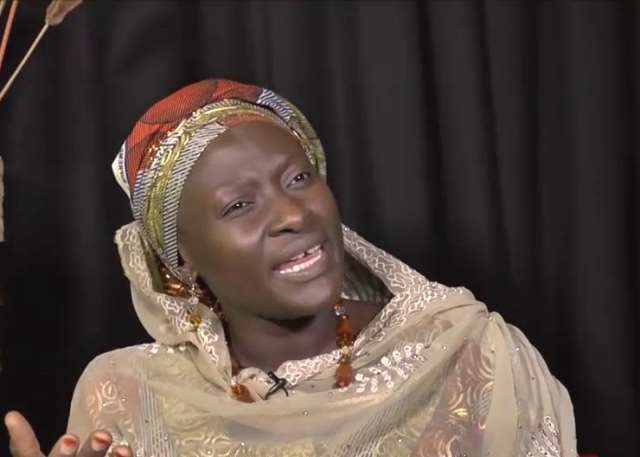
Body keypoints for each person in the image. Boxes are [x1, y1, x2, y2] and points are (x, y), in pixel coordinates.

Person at [5, 79, 577, 457]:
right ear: (181, 262)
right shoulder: (126, 395)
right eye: (238, 206)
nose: (292, 214)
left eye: (299, 178)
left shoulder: (471, 353)